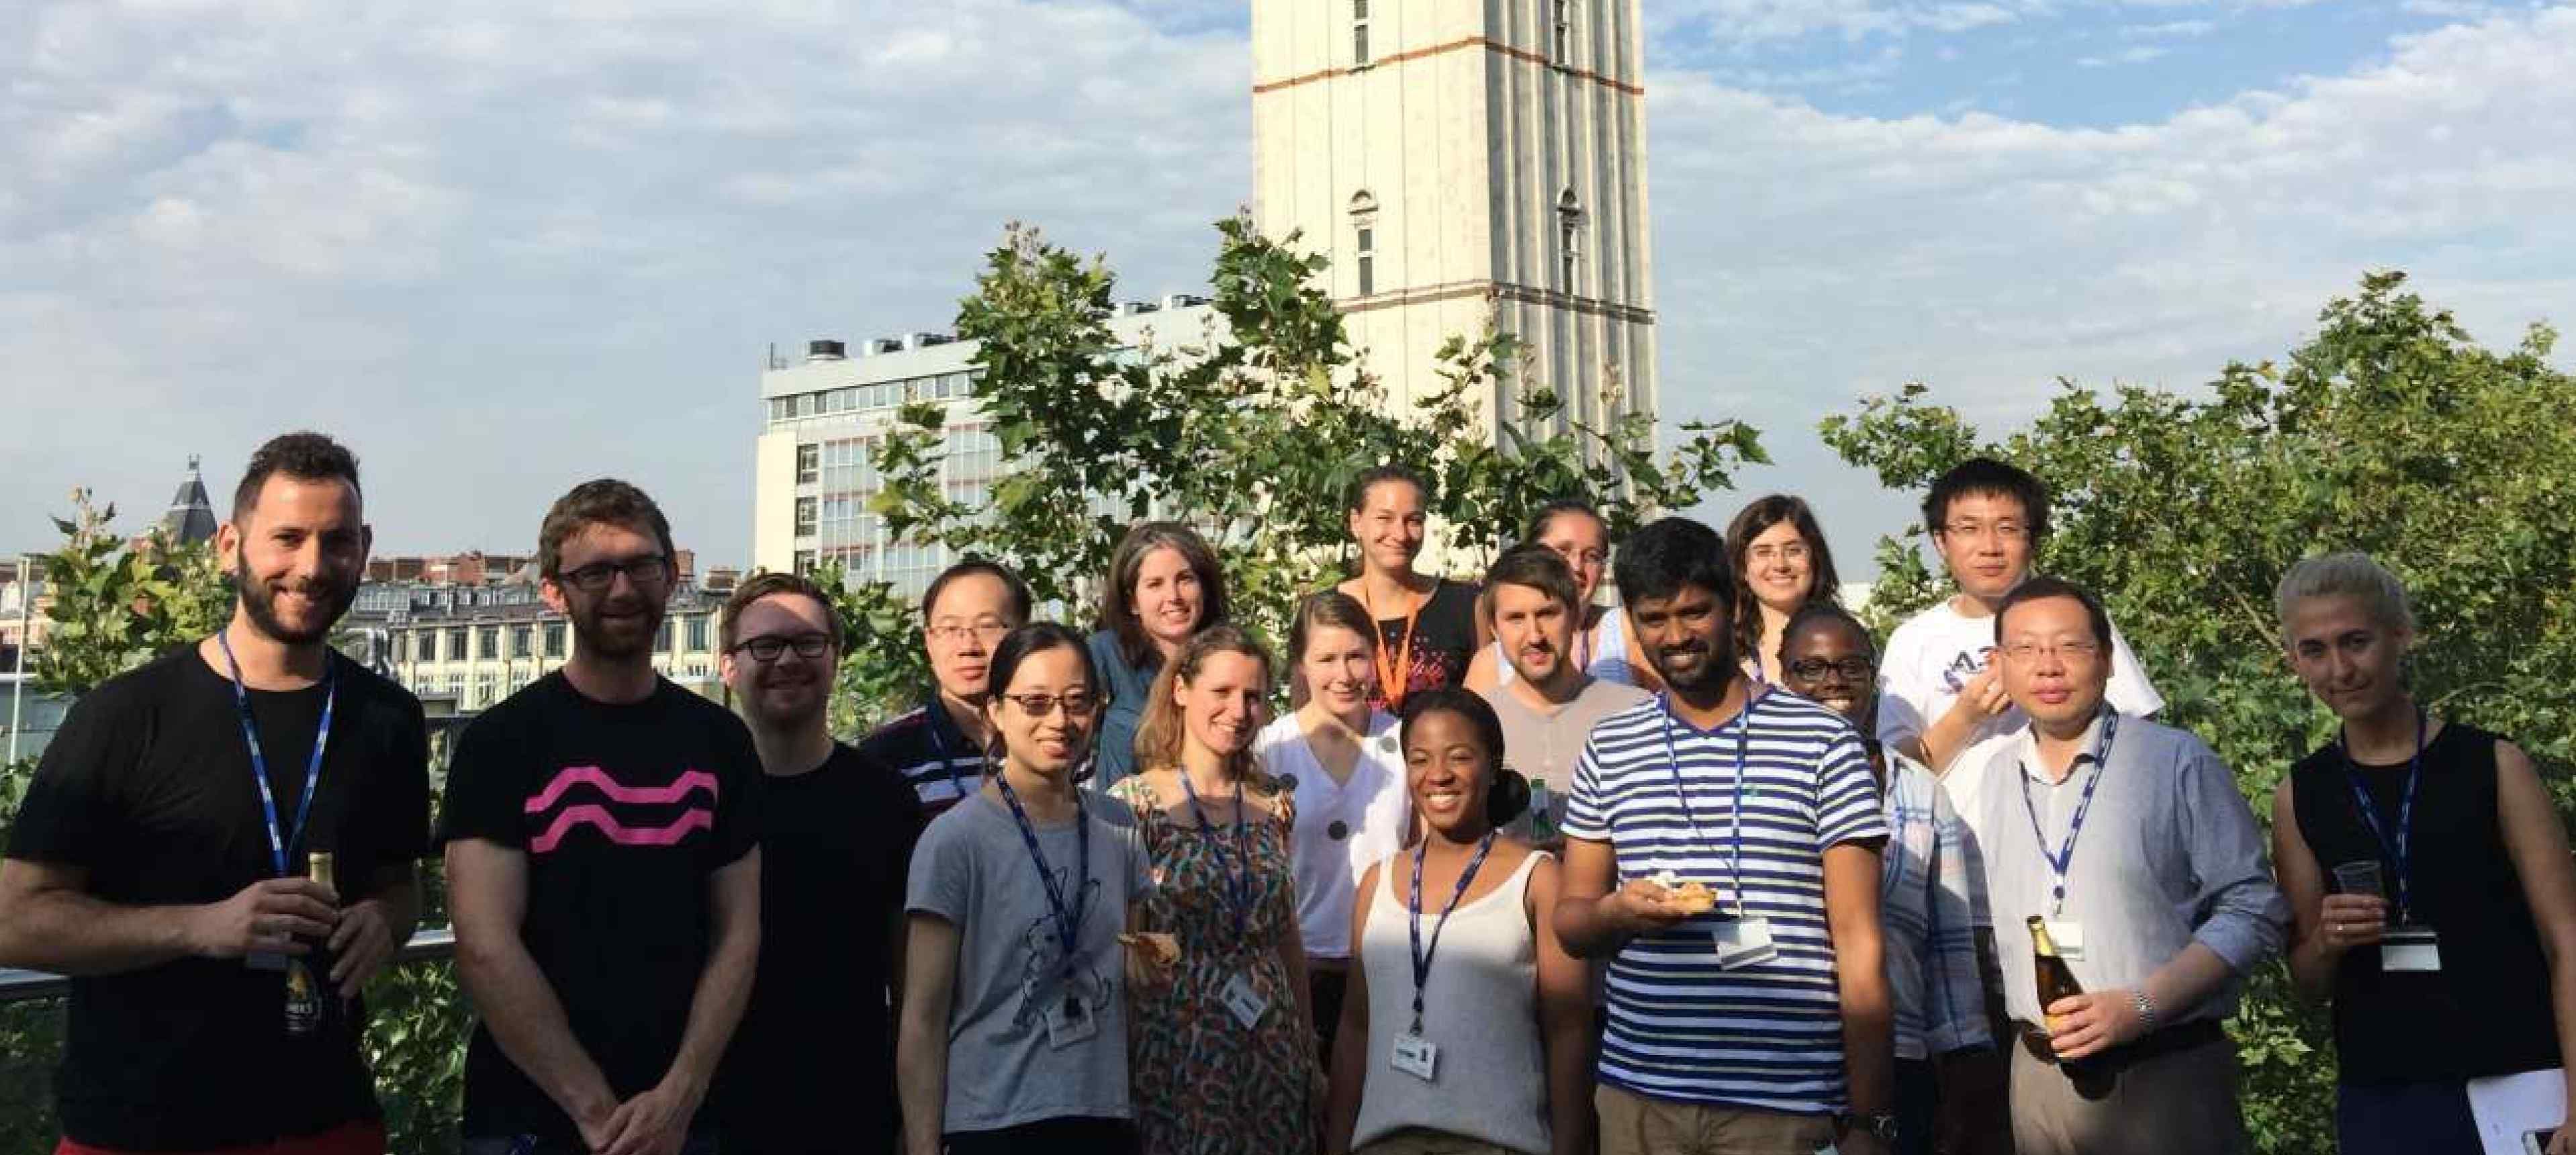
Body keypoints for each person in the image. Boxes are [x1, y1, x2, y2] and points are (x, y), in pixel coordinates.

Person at [0, 433, 428, 1155]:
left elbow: (401, 887)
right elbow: (14, 919)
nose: (312, 566)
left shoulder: (389, 719)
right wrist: (202, 927)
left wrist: (384, 921)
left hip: (330, 1122)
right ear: (230, 544)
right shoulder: (126, 715)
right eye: (286, 538)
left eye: (337, 541)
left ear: (365, 547)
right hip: (143, 1129)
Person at [1552, 516, 1898, 1155]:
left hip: (1787, 1102)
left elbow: (1860, 942)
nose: (1676, 637)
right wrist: (1618, 913)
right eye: (1655, 619)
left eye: (1694, 613)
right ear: (1631, 621)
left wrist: (1872, 1120)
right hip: (1641, 1096)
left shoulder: (1823, 742)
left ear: (1734, 607)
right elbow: (1572, 925)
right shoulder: (1610, 744)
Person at [442, 480, 762, 1155]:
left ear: (671, 577)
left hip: (688, 1119)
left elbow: (738, 932)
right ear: (554, 592)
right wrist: (596, 1114)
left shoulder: (720, 740)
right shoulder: (501, 743)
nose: (621, 589)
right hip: (531, 1116)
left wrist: (680, 1094)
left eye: (641, 565)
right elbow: (483, 942)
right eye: (595, 572)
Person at [2267, 553, 2576, 1155]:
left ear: (2400, 636)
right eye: (2315, 650)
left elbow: (2568, 938)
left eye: (2356, 642)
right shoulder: (2301, 792)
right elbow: (2306, 981)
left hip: (2520, 1078)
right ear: (2294, 661)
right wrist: (2328, 941)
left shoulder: (2491, 764)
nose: (2341, 669)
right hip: (2383, 1096)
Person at [1969, 577, 2285, 1155]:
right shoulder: (1995, 774)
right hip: (2037, 1073)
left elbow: (2253, 906)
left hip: (2163, 1071)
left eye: (2070, 647)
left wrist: (2142, 1005)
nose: (2049, 666)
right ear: (1999, 665)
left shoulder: (2173, 759)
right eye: (2026, 650)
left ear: (2108, 660)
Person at [896, 622, 1160, 1155]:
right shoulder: (954, 840)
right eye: (1035, 702)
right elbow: (922, 1017)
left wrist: (1149, 967)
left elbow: (1134, 976)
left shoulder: (1120, 826)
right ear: (996, 710)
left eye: (1077, 701)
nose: (1060, 721)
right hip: (992, 1123)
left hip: (1103, 1114)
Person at [1776, 603, 2005, 1155]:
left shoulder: (1921, 793)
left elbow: (1949, 953)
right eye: (1812, 668)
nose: (1834, 681)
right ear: (1783, 679)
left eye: (1851, 667)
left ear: (1872, 678)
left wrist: (1965, 1068)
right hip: (1780, 1057)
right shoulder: (1749, 786)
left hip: (1898, 1059)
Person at [1324, 688, 1593, 1155]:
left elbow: (1568, 1029)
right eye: (1420, 759)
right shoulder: (1376, 884)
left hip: (1497, 1143)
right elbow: (1355, 1027)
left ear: (1492, 766)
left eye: (1459, 757)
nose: (1439, 775)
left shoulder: (1538, 880)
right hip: (1386, 1142)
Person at [713, 571, 922, 1153]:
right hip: (714, 1111)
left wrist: (915, 1117)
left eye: (808, 644)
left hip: (853, 1107)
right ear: (728, 665)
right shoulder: (699, 799)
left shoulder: (886, 801)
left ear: (835, 659)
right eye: (765, 645)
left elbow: (910, 987)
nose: (788, 660)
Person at [1109, 627, 1322, 1155]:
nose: (1239, 709)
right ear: (1181, 691)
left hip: (1271, 1047)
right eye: (1222, 693)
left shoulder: (1273, 802)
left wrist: (1309, 1050)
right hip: (1180, 1053)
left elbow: (1285, 933)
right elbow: (1118, 940)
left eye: (1253, 696)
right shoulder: (1134, 804)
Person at [1257, 592, 1410, 1057]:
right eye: (1326, 659)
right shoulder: (1267, 750)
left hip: (1388, 968)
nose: (1343, 675)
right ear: (1301, 665)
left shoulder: (1405, 741)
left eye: (1356, 657)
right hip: (1299, 972)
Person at [1471, 545, 1648, 843]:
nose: (1535, 636)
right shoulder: (1474, 722)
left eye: (1548, 614)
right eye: (1516, 618)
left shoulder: (1636, 713)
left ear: (1575, 615)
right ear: (1494, 627)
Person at [861, 559, 1033, 816]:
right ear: (929, 642)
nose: (968, 647)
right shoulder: (885, 758)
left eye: (987, 626)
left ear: (1024, 635)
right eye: (950, 628)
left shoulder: (1054, 740)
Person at [1330, 465, 1484, 711]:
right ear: (1356, 523)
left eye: (1414, 521)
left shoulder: (1465, 605)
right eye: (1385, 518)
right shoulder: (1324, 611)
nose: (1401, 534)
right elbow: (1306, 716)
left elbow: (1484, 712)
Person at [1090, 522, 1231, 789]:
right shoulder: (1104, 654)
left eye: (1185, 580)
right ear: (1132, 601)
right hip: (1124, 823)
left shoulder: (1230, 657)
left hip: (1215, 818)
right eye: (1155, 584)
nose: (1173, 596)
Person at [1465, 499, 1653, 693]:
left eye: (1592, 556)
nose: (1576, 566)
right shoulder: (1491, 662)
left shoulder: (1627, 630)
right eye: (1563, 551)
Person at [1724, 494, 1843, 687]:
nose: (1780, 564)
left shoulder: (1847, 644)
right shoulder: (1724, 654)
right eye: (1763, 552)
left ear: (1815, 559)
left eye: (1793, 550)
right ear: (1742, 568)